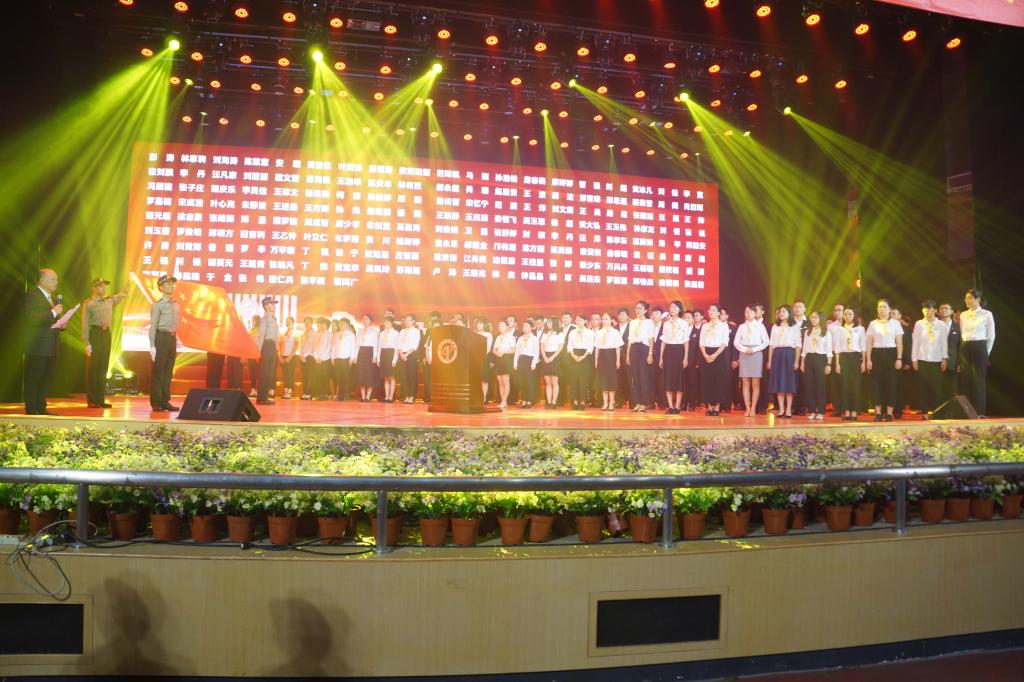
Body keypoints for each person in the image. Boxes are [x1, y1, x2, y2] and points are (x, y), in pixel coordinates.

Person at [23, 268, 65, 416]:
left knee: (46, 379)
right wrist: (53, 312)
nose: (56, 282)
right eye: (53, 279)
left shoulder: (51, 298)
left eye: (56, 279)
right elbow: (33, 318)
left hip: (52, 346)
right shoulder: (32, 295)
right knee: (34, 378)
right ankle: (31, 408)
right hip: (38, 346)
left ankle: (41, 407)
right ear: (41, 280)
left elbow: (50, 321)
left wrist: (61, 323)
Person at [82, 277, 126, 408]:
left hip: (106, 334)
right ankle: (92, 400)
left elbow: (120, 296)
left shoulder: (109, 300)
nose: (104, 288)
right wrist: (86, 342)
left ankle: (100, 399)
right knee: (93, 367)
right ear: (94, 288)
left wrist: (126, 288)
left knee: (103, 367)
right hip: (95, 334)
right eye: (100, 285)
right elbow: (85, 324)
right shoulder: (89, 303)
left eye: (104, 285)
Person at [865, 299, 904, 422]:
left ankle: (889, 413)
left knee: (891, 384)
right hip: (876, 354)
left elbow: (899, 343)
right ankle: (877, 413)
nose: (881, 309)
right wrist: (868, 359)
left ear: (889, 309)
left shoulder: (895, 323)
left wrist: (899, 358)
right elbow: (869, 343)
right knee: (876, 384)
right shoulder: (873, 323)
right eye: (879, 307)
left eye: (884, 307)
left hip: (891, 354)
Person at [959, 288, 995, 418]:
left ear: (978, 299)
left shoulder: (987, 314)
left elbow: (991, 335)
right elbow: (962, 332)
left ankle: (980, 412)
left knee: (978, 379)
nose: (967, 301)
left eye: (970, 298)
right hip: (965, 346)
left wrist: (986, 352)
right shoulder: (963, 315)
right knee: (966, 378)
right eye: (966, 298)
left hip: (980, 346)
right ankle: (968, 412)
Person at [912, 300, 949, 418]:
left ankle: (935, 411)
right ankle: (924, 411)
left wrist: (945, 358)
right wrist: (914, 358)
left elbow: (944, 342)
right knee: (922, 386)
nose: (926, 311)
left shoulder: (941, 325)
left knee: (936, 386)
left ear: (935, 311)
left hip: (937, 359)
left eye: (929, 309)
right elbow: (915, 341)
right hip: (922, 358)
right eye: (924, 309)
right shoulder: (919, 324)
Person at [148, 274, 180, 412]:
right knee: (159, 371)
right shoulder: (158, 305)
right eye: (167, 284)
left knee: (168, 371)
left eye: (172, 283)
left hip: (172, 338)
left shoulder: (175, 303)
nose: (171, 286)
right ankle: (156, 402)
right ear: (161, 288)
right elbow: (153, 325)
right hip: (161, 337)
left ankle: (165, 400)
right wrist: (152, 345)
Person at [734, 304, 769, 418]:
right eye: (746, 312)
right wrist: (745, 349)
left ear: (755, 313)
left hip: (756, 354)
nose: (748, 314)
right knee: (745, 383)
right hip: (744, 354)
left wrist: (753, 349)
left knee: (755, 383)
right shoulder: (741, 327)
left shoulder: (760, 326)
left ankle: (753, 407)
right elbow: (736, 342)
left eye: (750, 311)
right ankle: (747, 408)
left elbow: (766, 342)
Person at [834, 306, 866, 421]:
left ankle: (854, 411)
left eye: (850, 314)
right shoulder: (839, 329)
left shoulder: (860, 329)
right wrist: (837, 363)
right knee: (845, 384)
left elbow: (863, 346)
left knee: (855, 385)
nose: (847, 316)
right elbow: (837, 347)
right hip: (844, 357)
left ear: (854, 316)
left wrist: (864, 362)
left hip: (856, 357)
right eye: (846, 314)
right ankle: (846, 410)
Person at [767, 304, 800, 418]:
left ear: (789, 313)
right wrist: (770, 360)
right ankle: (781, 409)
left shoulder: (794, 326)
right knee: (779, 383)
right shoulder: (775, 327)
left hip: (789, 354)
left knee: (789, 383)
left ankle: (789, 409)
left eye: (783, 311)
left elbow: (798, 345)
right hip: (777, 354)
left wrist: (796, 361)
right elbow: (771, 345)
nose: (781, 313)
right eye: (780, 312)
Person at [800, 311, 833, 420]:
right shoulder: (808, 332)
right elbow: (804, 349)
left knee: (820, 386)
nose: (813, 319)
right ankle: (813, 410)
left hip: (821, 359)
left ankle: (821, 411)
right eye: (812, 317)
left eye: (815, 317)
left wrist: (828, 364)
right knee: (810, 386)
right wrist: (802, 362)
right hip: (809, 358)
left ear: (821, 319)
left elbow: (829, 351)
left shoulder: (826, 333)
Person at [699, 304, 731, 417]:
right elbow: (701, 342)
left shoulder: (723, 326)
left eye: (713, 310)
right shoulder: (705, 325)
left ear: (718, 313)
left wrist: (716, 354)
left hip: (719, 353)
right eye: (709, 310)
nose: (711, 312)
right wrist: (705, 354)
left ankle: (717, 406)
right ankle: (709, 406)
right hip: (706, 353)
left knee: (718, 380)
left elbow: (725, 342)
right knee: (707, 380)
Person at [659, 300, 690, 415]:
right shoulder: (666, 323)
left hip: (679, 351)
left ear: (680, 309)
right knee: (668, 379)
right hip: (668, 352)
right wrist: (661, 357)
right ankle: (670, 406)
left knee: (678, 380)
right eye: (671, 307)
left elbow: (686, 341)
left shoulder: (684, 323)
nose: (672, 309)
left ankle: (677, 406)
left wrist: (685, 357)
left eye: (675, 307)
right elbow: (663, 341)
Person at [625, 301, 655, 412]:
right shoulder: (632, 322)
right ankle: (637, 402)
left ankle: (644, 403)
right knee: (635, 378)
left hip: (644, 349)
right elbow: (630, 339)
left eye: (640, 308)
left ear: (645, 310)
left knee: (644, 377)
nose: (637, 310)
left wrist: (650, 354)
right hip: (634, 349)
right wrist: (628, 355)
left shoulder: (649, 322)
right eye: (636, 308)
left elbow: (651, 339)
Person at [595, 312, 624, 411]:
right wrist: (596, 360)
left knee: (611, 381)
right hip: (602, 357)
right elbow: (597, 348)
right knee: (603, 381)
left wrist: (618, 360)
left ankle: (611, 403)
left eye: (606, 319)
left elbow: (617, 347)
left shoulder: (615, 332)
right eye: (603, 319)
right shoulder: (599, 332)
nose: (604, 321)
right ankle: (605, 403)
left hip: (611, 356)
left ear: (611, 320)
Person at [566, 313, 594, 410]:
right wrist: (573, 355)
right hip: (574, 355)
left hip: (585, 356)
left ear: (585, 321)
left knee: (583, 379)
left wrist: (583, 357)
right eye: (577, 320)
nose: (578, 322)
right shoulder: (572, 332)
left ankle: (582, 401)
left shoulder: (589, 332)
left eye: (580, 320)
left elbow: (590, 347)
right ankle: (574, 401)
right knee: (574, 379)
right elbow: (569, 346)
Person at [255, 297, 279, 405]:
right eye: (271, 304)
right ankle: (261, 398)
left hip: (272, 346)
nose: (273, 305)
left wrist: (276, 348)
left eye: (274, 304)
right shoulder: (264, 319)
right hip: (266, 345)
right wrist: (259, 351)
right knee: (264, 372)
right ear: (265, 306)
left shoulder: (274, 319)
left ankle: (264, 397)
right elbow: (261, 336)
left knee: (269, 373)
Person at [937, 302, 960, 402]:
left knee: (951, 389)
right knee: (937, 388)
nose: (943, 310)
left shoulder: (958, 327)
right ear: (938, 312)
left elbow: (960, 346)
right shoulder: (933, 326)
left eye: (946, 308)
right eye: (941, 308)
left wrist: (959, 363)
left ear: (951, 311)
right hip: (936, 360)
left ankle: (951, 408)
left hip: (952, 362)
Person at [539, 317, 565, 409]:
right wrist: (544, 357)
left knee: (554, 381)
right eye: (548, 322)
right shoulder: (545, 333)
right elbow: (542, 346)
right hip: (546, 356)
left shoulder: (560, 334)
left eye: (550, 322)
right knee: (547, 381)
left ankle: (554, 402)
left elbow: (560, 347)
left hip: (555, 357)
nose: (548, 324)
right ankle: (549, 402)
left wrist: (552, 357)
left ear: (554, 323)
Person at [513, 320, 539, 408]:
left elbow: (536, 352)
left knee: (529, 382)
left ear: (531, 328)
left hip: (529, 360)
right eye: (524, 326)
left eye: (527, 326)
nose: (524, 328)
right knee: (522, 381)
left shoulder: (534, 338)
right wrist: (515, 362)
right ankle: (524, 400)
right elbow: (517, 351)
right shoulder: (520, 338)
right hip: (521, 360)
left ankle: (529, 401)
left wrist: (534, 363)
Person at [355, 314, 380, 402]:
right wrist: (355, 356)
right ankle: (363, 396)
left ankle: (368, 396)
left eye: (366, 319)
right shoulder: (360, 331)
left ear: (370, 321)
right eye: (363, 319)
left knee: (369, 375)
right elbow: (357, 345)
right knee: (361, 374)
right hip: (361, 352)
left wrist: (374, 356)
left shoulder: (374, 332)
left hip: (370, 352)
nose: (364, 320)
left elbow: (375, 345)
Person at [398, 315, 423, 404]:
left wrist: (406, 354)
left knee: (411, 376)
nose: (407, 321)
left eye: (409, 320)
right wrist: (401, 354)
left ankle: (412, 396)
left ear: (413, 321)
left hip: (411, 355)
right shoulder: (402, 331)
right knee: (404, 376)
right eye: (406, 320)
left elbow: (415, 345)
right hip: (402, 355)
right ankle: (406, 396)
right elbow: (399, 344)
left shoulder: (416, 331)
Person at [827, 304, 846, 416]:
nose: (837, 312)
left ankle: (849, 408)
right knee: (835, 383)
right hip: (834, 355)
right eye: (835, 310)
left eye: (839, 310)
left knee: (847, 382)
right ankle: (838, 408)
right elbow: (828, 343)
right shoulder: (831, 326)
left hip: (847, 355)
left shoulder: (849, 325)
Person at [492, 319, 516, 408]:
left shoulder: (511, 337)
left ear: (507, 327)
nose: (500, 327)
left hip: (506, 359)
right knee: (500, 381)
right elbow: (494, 349)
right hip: (498, 359)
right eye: (499, 326)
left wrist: (504, 352)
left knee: (505, 381)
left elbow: (513, 350)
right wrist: (496, 353)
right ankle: (503, 401)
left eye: (502, 326)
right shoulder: (498, 337)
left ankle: (504, 401)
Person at [791, 300, 809, 414]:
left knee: (803, 382)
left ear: (805, 309)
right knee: (792, 381)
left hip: (805, 355)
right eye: (796, 307)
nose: (797, 309)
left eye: (800, 307)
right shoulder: (790, 322)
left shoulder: (809, 323)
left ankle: (802, 406)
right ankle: (792, 406)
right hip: (791, 354)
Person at [684, 309, 704, 411]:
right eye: (685, 318)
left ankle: (698, 402)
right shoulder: (688, 329)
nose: (686, 319)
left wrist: (699, 361)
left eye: (696, 315)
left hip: (702, 360)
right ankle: (687, 403)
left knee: (698, 383)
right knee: (688, 382)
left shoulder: (705, 328)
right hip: (689, 360)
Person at [331, 318, 356, 401]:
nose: (340, 325)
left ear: (347, 325)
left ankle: (346, 395)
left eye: (343, 324)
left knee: (346, 377)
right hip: (337, 357)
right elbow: (334, 346)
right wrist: (332, 357)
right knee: (339, 377)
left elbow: (353, 347)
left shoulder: (351, 334)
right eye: (340, 324)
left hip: (346, 357)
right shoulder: (337, 334)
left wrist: (352, 358)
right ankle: (340, 395)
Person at [378, 315, 399, 403]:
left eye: (388, 322)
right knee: (386, 377)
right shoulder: (382, 333)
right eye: (385, 322)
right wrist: (378, 358)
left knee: (392, 377)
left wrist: (394, 359)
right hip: (383, 353)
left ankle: (391, 397)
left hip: (391, 353)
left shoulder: (396, 333)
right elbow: (379, 346)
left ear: (392, 323)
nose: (386, 323)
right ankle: (386, 396)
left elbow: (397, 347)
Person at [277, 316, 299, 399]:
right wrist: (280, 356)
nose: (287, 323)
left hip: (292, 356)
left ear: (293, 323)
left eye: (289, 321)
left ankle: (290, 391)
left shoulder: (296, 333)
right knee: (285, 374)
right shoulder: (283, 333)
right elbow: (279, 345)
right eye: (286, 321)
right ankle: (286, 390)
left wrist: (290, 357)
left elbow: (296, 346)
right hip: (283, 356)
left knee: (290, 374)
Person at [311, 316, 332, 400]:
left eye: (324, 324)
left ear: (327, 325)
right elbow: (314, 346)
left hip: (325, 359)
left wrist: (322, 357)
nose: (322, 326)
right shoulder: (318, 334)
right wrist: (316, 357)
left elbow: (329, 347)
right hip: (317, 359)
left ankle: (325, 394)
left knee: (325, 377)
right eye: (321, 324)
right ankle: (319, 394)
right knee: (318, 377)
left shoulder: (329, 334)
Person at [299, 316, 318, 400]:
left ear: (311, 323)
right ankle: (305, 393)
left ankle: (310, 393)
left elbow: (315, 346)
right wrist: (301, 355)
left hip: (311, 356)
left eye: (308, 322)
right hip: (303, 356)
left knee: (311, 376)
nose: (306, 324)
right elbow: (301, 345)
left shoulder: (315, 333)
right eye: (305, 322)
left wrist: (313, 355)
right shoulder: (303, 333)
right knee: (304, 376)